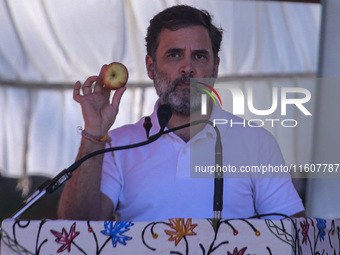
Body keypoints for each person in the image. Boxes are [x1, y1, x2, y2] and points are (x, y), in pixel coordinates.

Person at [58, 5, 305, 221]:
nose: (188, 68)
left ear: (215, 68)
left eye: (199, 56)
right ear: (150, 67)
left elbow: (290, 235)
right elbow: (77, 226)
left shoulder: (256, 142)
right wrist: (94, 133)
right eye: (174, 55)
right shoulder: (118, 144)